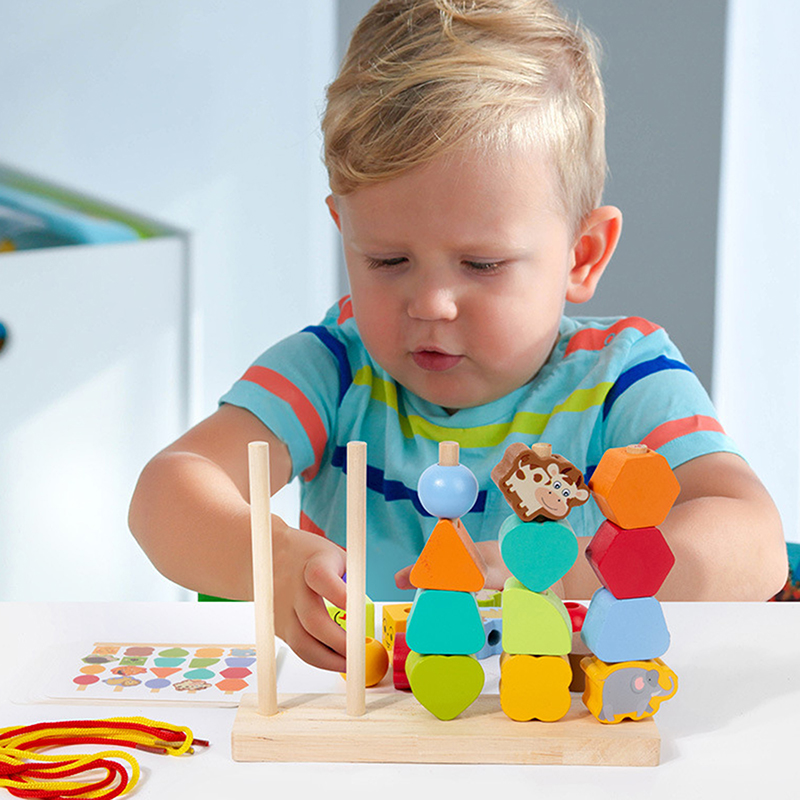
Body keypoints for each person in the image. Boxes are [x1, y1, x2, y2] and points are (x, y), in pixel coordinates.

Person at [128, 0, 787, 673]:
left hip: (560, 722)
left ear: (582, 255)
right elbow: (166, 493)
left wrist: (564, 575)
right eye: (387, 260)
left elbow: (755, 544)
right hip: (370, 719)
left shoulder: (624, 379)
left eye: (482, 264)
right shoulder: (332, 370)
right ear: (344, 232)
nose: (431, 303)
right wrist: (270, 561)